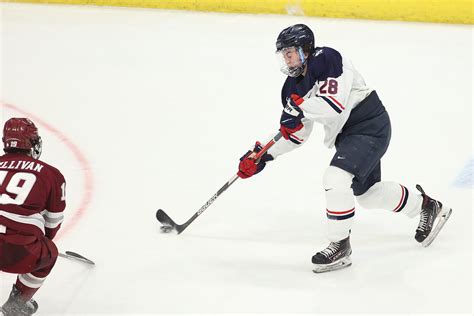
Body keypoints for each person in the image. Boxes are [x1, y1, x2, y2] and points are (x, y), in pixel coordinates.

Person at [237, 24, 452, 273]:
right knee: (368, 195)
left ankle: (340, 245)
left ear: (305, 49)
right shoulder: (291, 88)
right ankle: (426, 207)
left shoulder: (327, 59)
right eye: (283, 54)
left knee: (335, 177)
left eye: (290, 52)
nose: (287, 59)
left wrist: (299, 109)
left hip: (369, 124)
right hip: (348, 136)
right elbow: (297, 134)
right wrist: (263, 154)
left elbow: (333, 105)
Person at [0, 118, 66, 315]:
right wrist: (41, 240)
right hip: (17, 249)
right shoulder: (51, 174)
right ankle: (17, 303)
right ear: (33, 143)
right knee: (49, 254)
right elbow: (52, 224)